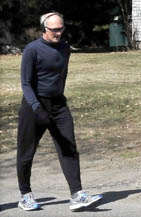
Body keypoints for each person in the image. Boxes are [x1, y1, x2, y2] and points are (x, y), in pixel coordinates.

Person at [16, 12, 103, 212]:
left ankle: (77, 195)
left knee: (68, 147)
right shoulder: (32, 50)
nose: (58, 33)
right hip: (34, 105)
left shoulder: (65, 48)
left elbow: (62, 75)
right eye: (54, 29)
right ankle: (25, 196)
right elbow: (26, 83)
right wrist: (37, 108)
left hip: (58, 105)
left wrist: (58, 99)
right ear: (44, 29)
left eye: (61, 28)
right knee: (26, 153)